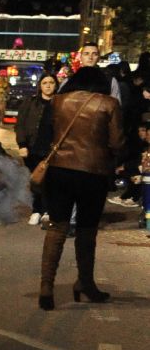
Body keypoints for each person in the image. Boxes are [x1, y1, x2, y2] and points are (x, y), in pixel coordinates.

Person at [37, 63, 125, 309]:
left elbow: (44, 136)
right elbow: (117, 142)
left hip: (58, 172)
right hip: (93, 174)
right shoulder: (108, 104)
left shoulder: (57, 101)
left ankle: (46, 287)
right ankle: (85, 284)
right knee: (86, 231)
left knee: (57, 228)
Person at [14, 73, 57, 224]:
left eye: (51, 82)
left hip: (52, 150)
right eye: (45, 82)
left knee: (50, 181)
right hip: (33, 148)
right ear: (40, 85)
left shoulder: (60, 103)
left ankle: (47, 210)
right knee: (35, 181)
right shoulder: (30, 102)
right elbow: (20, 125)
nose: (48, 85)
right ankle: (36, 210)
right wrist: (22, 144)